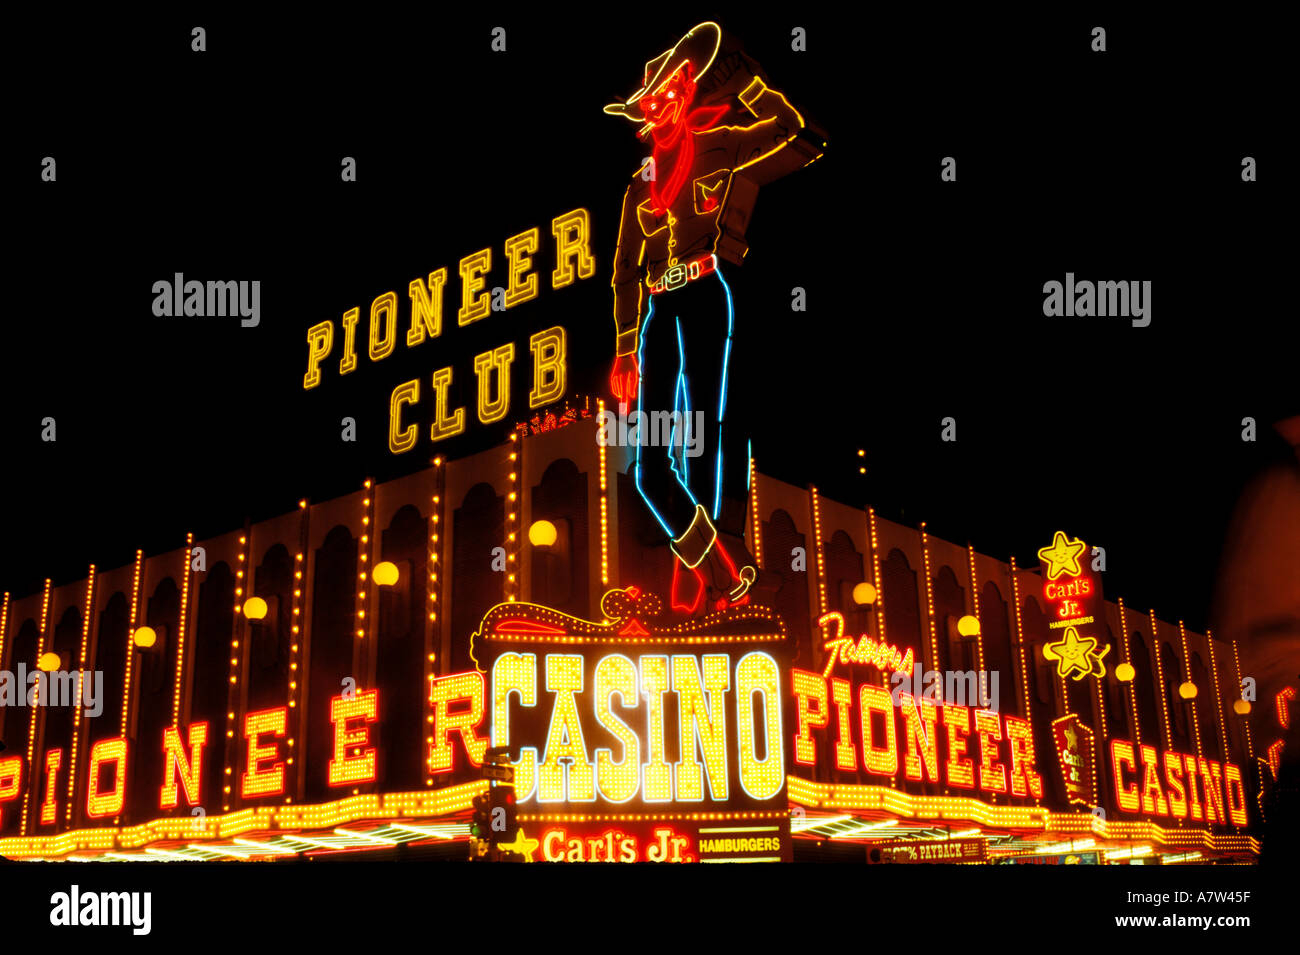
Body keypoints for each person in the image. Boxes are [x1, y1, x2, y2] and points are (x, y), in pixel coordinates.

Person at [605, 21, 825, 613]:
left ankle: (703, 586)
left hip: (705, 292)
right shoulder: (638, 189)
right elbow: (624, 270)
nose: (656, 111)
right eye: (646, 107)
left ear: (684, 91)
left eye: (664, 96)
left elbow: (797, 133)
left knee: (703, 434)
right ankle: (724, 571)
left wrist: (749, 81)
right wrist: (626, 347)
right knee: (650, 465)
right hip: (655, 311)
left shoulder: (721, 146)